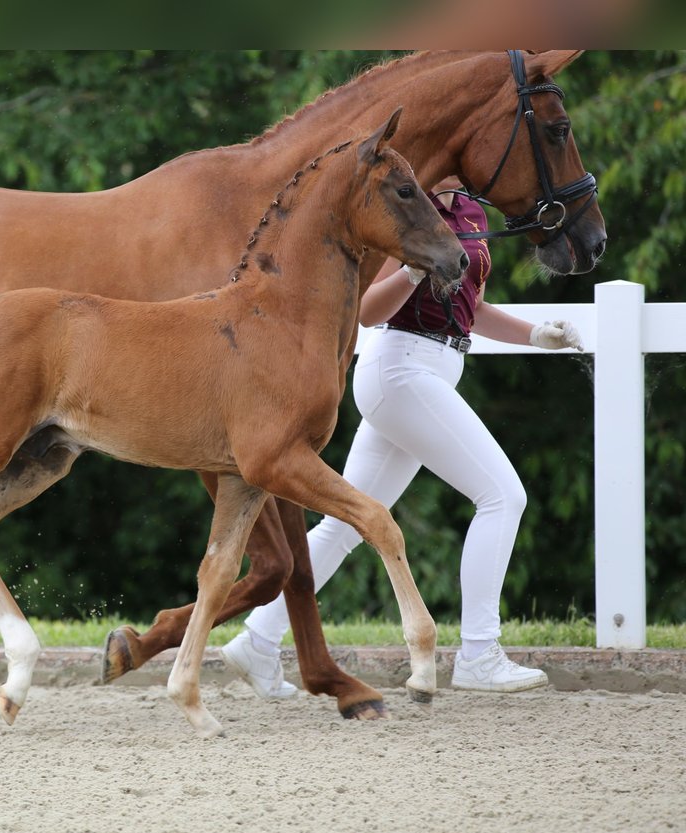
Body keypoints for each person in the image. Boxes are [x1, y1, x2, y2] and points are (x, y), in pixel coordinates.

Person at [221, 176, 584, 698]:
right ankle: (480, 652)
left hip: (434, 366)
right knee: (503, 497)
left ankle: (257, 641)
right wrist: (414, 270)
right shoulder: (413, 207)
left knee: (343, 525)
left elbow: (471, 309)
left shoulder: (472, 212)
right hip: (400, 365)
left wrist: (534, 335)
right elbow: (368, 310)